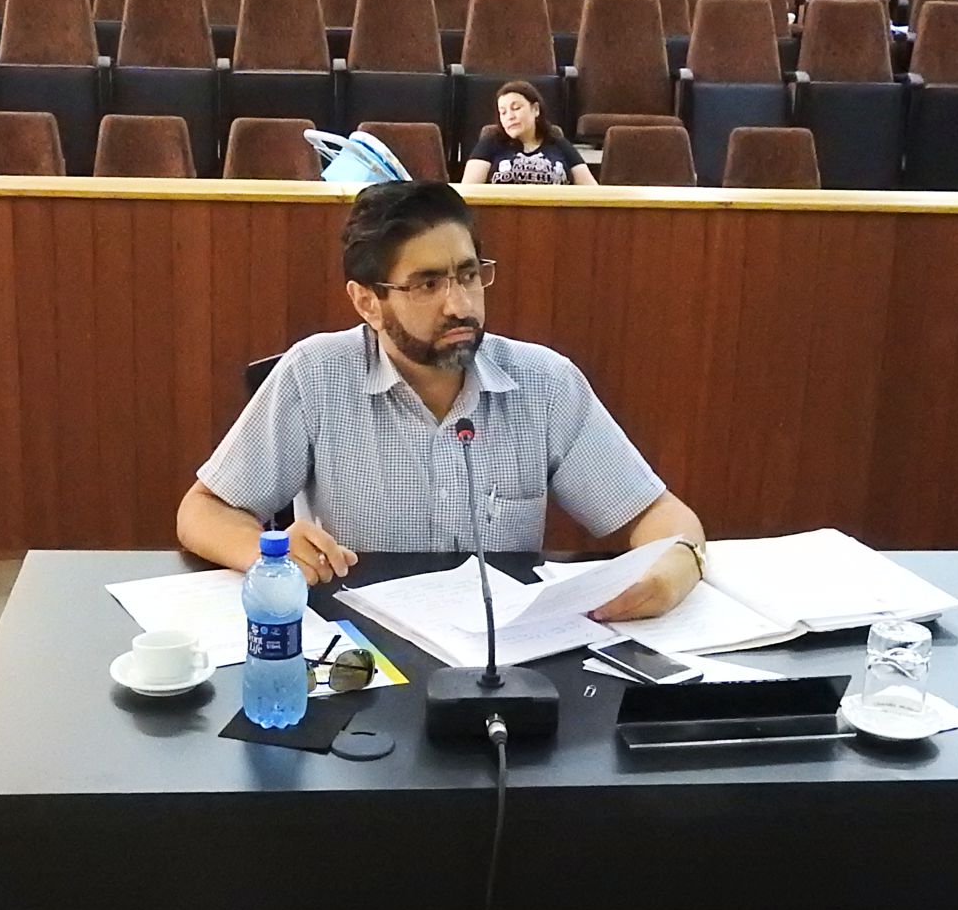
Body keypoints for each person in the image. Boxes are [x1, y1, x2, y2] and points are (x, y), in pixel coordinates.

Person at [178, 179, 707, 621]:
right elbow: (203, 511)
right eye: (427, 285)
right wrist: (267, 553)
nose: (459, 305)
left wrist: (675, 569)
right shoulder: (315, 375)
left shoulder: (544, 383)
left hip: (503, 655)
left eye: (468, 275)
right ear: (367, 301)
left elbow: (659, 514)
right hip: (365, 657)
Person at [461, 81, 595, 186]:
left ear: (535, 109)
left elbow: (593, 192)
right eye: (503, 112)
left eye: (516, 108)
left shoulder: (558, 143)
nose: (509, 117)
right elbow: (468, 192)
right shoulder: (490, 143)